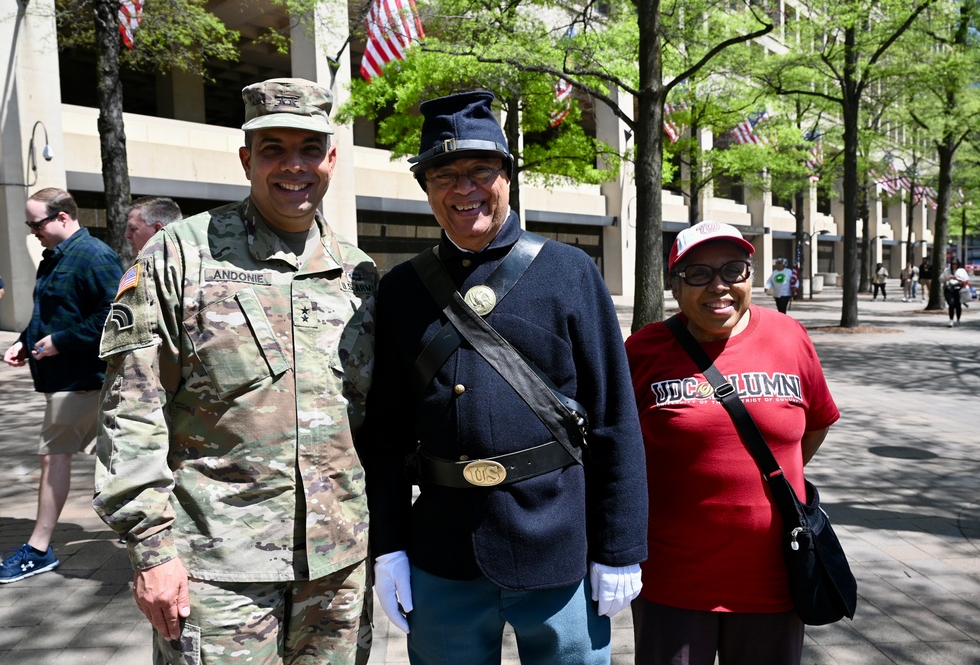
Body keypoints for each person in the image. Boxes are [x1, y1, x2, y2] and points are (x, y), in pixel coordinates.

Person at [92, 78, 378, 664]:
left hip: (339, 567)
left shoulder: (360, 275)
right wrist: (150, 549)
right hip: (217, 572)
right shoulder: (180, 254)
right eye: (272, 149)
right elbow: (131, 409)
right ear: (246, 159)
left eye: (307, 149)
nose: (291, 166)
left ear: (331, 158)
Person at [358, 90, 648, 665]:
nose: (464, 188)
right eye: (443, 175)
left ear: (507, 176)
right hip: (443, 549)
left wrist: (620, 546)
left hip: (556, 540)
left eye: (480, 170)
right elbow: (384, 432)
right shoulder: (401, 289)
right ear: (426, 189)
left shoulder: (570, 272)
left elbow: (615, 415)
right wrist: (387, 544)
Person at [625, 221, 840, 665]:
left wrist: (769, 477)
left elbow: (816, 422)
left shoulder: (789, 335)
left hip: (775, 578)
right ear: (674, 286)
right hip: (674, 579)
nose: (718, 286)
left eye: (733, 270)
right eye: (699, 274)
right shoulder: (643, 351)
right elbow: (619, 450)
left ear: (750, 276)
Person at [0, 187, 122, 583]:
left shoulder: (94, 256)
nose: (32, 232)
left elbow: (116, 317)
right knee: (114, 460)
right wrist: (25, 341)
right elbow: (53, 312)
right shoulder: (55, 258)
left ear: (62, 217)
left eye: (36, 223)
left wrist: (60, 342)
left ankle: (39, 548)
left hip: (85, 382)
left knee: (55, 456)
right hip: (71, 381)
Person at [941, 257, 970, 327]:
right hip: (949, 289)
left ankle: (958, 319)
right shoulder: (947, 270)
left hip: (958, 289)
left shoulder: (961, 270)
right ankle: (951, 320)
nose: (954, 265)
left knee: (958, 305)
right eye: (953, 263)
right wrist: (948, 278)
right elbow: (941, 280)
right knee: (951, 304)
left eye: (956, 263)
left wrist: (958, 278)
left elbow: (966, 281)